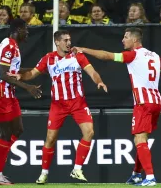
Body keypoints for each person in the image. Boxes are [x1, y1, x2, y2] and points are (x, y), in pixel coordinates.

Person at [72, 27, 161, 186]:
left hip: (143, 102)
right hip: (156, 101)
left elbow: (106, 55)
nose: (122, 40)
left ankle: (150, 178)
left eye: (125, 37)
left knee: (139, 139)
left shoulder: (133, 55)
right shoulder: (155, 56)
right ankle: (136, 174)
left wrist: (83, 49)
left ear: (135, 40)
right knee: (141, 138)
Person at [9, 30, 107, 184]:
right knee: (50, 138)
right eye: (65, 40)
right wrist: (22, 76)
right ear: (57, 42)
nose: (69, 43)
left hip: (78, 103)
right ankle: (44, 173)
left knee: (89, 132)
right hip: (58, 105)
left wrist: (98, 81)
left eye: (69, 40)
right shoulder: (48, 58)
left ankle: (77, 169)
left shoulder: (77, 56)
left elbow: (92, 72)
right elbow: (33, 73)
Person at [0, 18, 42, 185]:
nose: (28, 32)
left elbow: (14, 71)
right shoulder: (9, 45)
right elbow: (3, 74)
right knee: (7, 133)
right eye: (26, 29)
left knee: (18, 130)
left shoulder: (12, 45)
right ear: (17, 29)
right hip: (0, 92)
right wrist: (27, 87)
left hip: (8, 92)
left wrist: (38, 70)